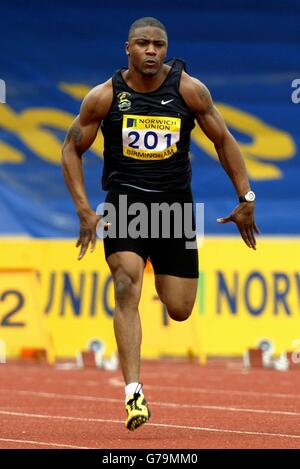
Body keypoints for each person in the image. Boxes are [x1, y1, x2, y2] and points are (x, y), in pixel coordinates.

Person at [61, 16, 259, 431]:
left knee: (180, 308)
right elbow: (70, 148)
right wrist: (83, 208)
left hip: (174, 210)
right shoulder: (104, 97)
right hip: (125, 204)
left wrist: (246, 197)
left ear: (166, 49)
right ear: (127, 49)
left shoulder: (188, 90)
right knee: (124, 283)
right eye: (143, 44)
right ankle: (133, 392)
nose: (151, 51)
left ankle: (159, 268)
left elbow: (224, 140)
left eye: (158, 45)